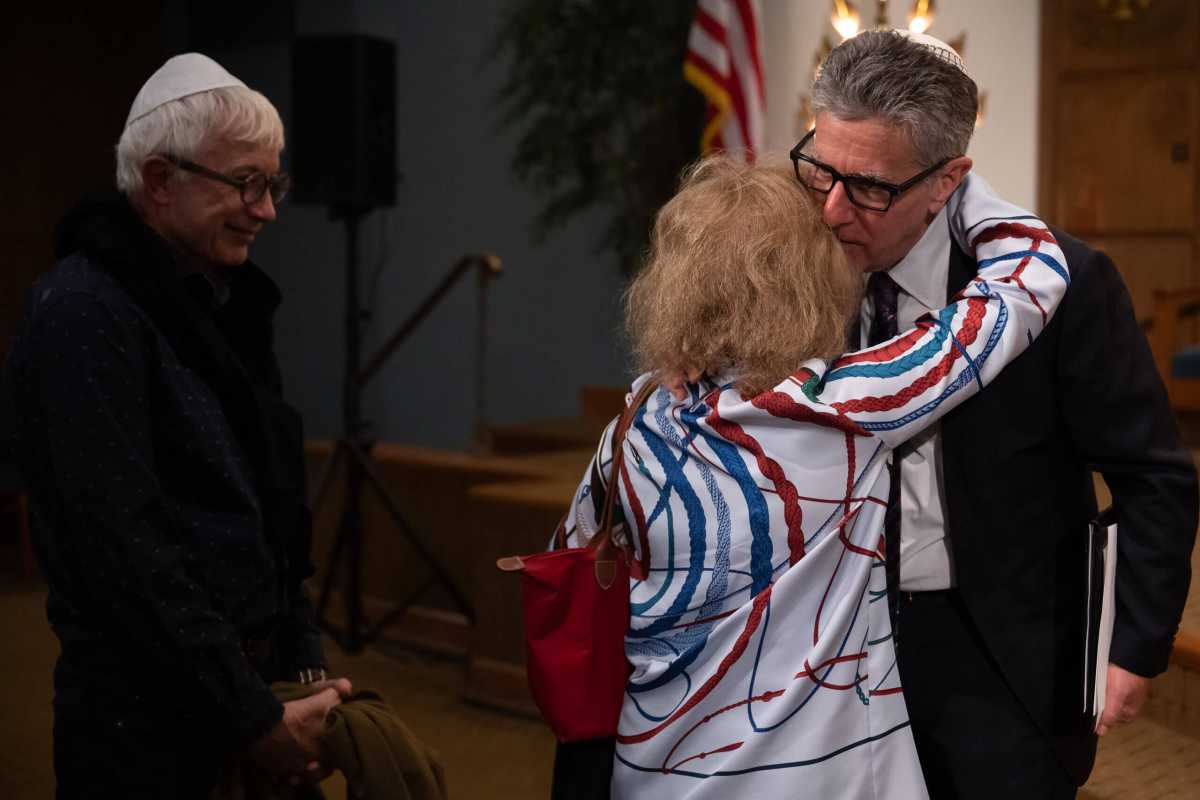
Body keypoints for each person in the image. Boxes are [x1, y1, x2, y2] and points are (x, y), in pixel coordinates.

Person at [552, 153, 1070, 798]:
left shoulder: (633, 426)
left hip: (655, 769)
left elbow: (574, 556)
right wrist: (954, 188)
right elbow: (1029, 279)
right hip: (818, 776)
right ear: (811, 280)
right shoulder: (846, 408)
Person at [791, 30, 1198, 797]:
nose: (833, 209)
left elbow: (1154, 480)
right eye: (820, 170)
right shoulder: (793, 264)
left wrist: (1134, 645)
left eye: (869, 187)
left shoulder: (1061, 286)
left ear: (947, 181)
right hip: (836, 639)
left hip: (1002, 652)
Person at [4, 53, 350, 797]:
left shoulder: (224, 300)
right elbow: (126, 555)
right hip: (145, 733)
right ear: (160, 180)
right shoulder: (82, 314)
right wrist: (254, 718)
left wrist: (302, 661)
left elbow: (269, 514)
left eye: (273, 184)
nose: (267, 210)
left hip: (245, 695)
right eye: (246, 183)